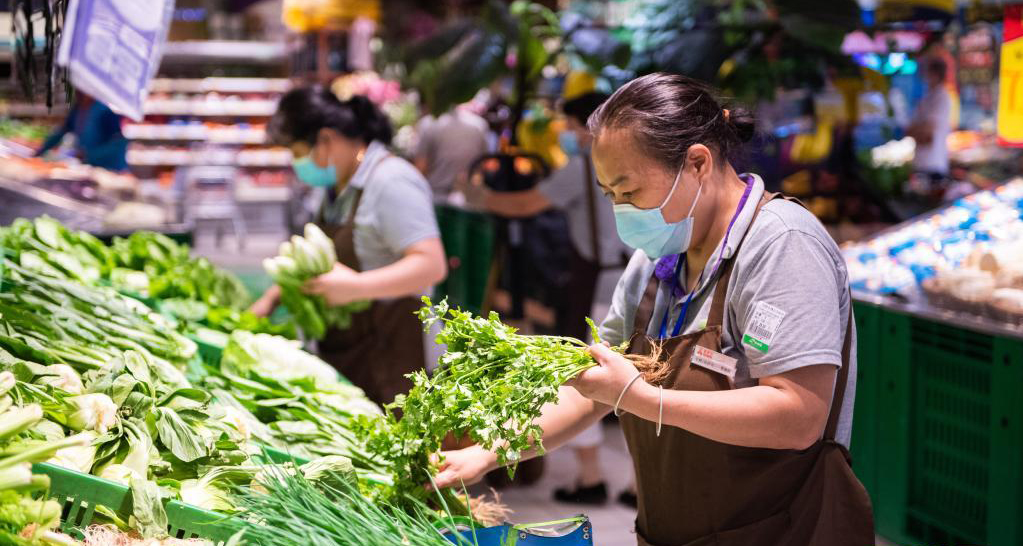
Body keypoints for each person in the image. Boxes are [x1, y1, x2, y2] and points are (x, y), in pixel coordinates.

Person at [434, 73, 874, 546]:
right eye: (609, 195)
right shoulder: (656, 260)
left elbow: (799, 414)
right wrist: (492, 452)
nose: (622, 210)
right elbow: (594, 387)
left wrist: (643, 399)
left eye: (630, 191)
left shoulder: (782, 245)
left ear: (697, 163)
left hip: (785, 532)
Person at [468, 91, 628, 505]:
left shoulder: (585, 166)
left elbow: (525, 203)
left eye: (574, 126)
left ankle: (592, 476)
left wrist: (478, 198)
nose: (570, 135)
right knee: (624, 377)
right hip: (619, 278)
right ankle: (631, 483)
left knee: (587, 374)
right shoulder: (622, 163)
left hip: (601, 287)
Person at [251, 87, 447, 406]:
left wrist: (355, 287)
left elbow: (430, 264)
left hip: (398, 358)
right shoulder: (336, 188)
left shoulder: (391, 181)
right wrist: (271, 299)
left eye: (298, 151)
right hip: (358, 353)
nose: (297, 162)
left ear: (326, 140)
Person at [36, 92, 129, 172]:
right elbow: (62, 131)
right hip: (87, 168)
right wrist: (40, 151)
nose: (78, 93)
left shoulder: (106, 111)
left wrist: (88, 155)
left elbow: (119, 144)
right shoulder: (77, 108)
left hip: (109, 168)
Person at [414, 105, 490, 201]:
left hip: (435, 198)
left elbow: (420, 169)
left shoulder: (428, 123)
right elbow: (483, 167)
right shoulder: (479, 124)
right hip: (468, 201)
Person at [907, 57, 953, 181]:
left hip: (934, 164)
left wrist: (915, 131)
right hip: (921, 162)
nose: (924, 75)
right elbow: (911, 129)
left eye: (928, 72)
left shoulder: (942, 96)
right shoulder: (928, 96)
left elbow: (926, 132)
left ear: (935, 74)